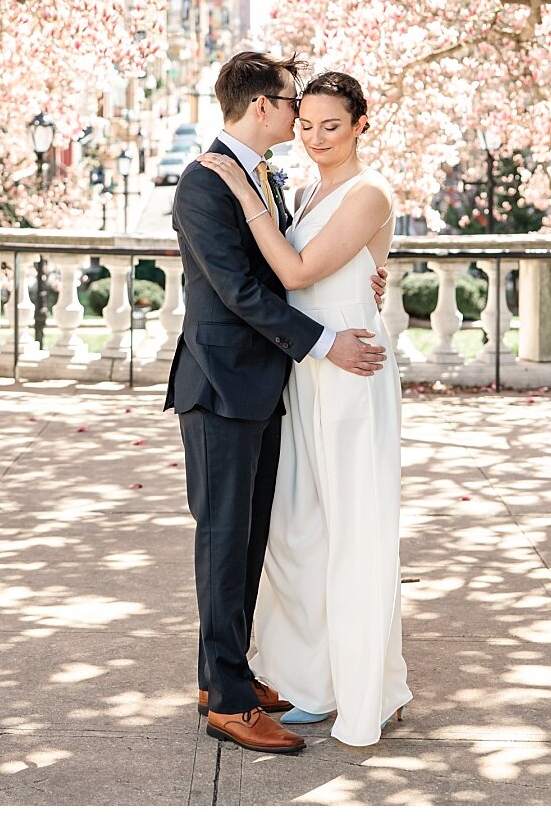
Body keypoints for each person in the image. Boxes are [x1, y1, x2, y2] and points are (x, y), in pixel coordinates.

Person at [165, 51, 388, 756]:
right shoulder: (207, 183)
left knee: (250, 538)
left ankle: (221, 673)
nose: (300, 119)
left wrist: (360, 281)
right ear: (262, 105)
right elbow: (242, 292)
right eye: (293, 103)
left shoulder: (264, 177)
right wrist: (325, 341)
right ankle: (227, 702)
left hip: (264, 387)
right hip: (221, 386)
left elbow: (292, 271)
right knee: (225, 542)